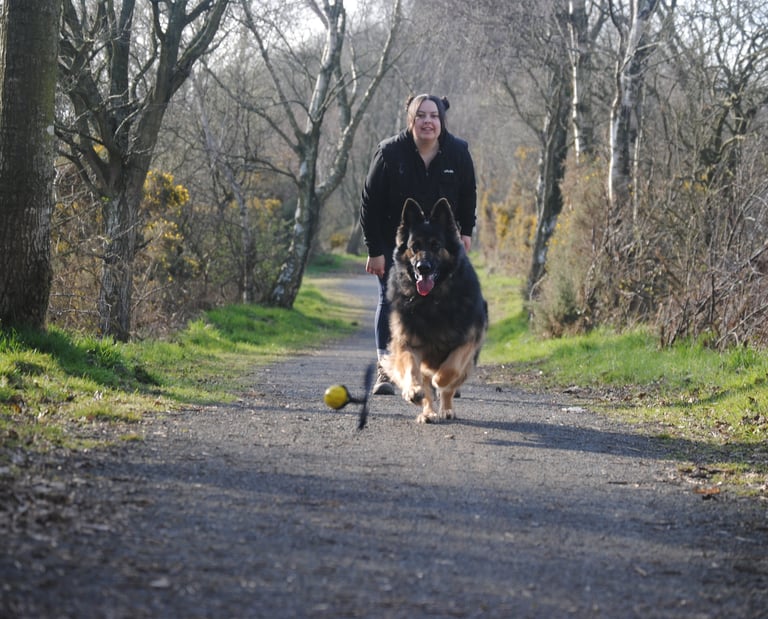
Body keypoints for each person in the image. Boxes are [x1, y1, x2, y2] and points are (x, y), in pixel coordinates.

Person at [360, 93, 477, 394]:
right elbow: (369, 204)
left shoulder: (458, 152)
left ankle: (439, 370)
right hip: (396, 243)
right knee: (391, 300)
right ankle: (387, 371)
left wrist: (467, 231)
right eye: (421, 115)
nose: (428, 121)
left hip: (439, 244)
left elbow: (468, 193)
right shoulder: (389, 153)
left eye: (434, 116)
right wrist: (375, 251)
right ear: (411, 120)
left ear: (442, 121)